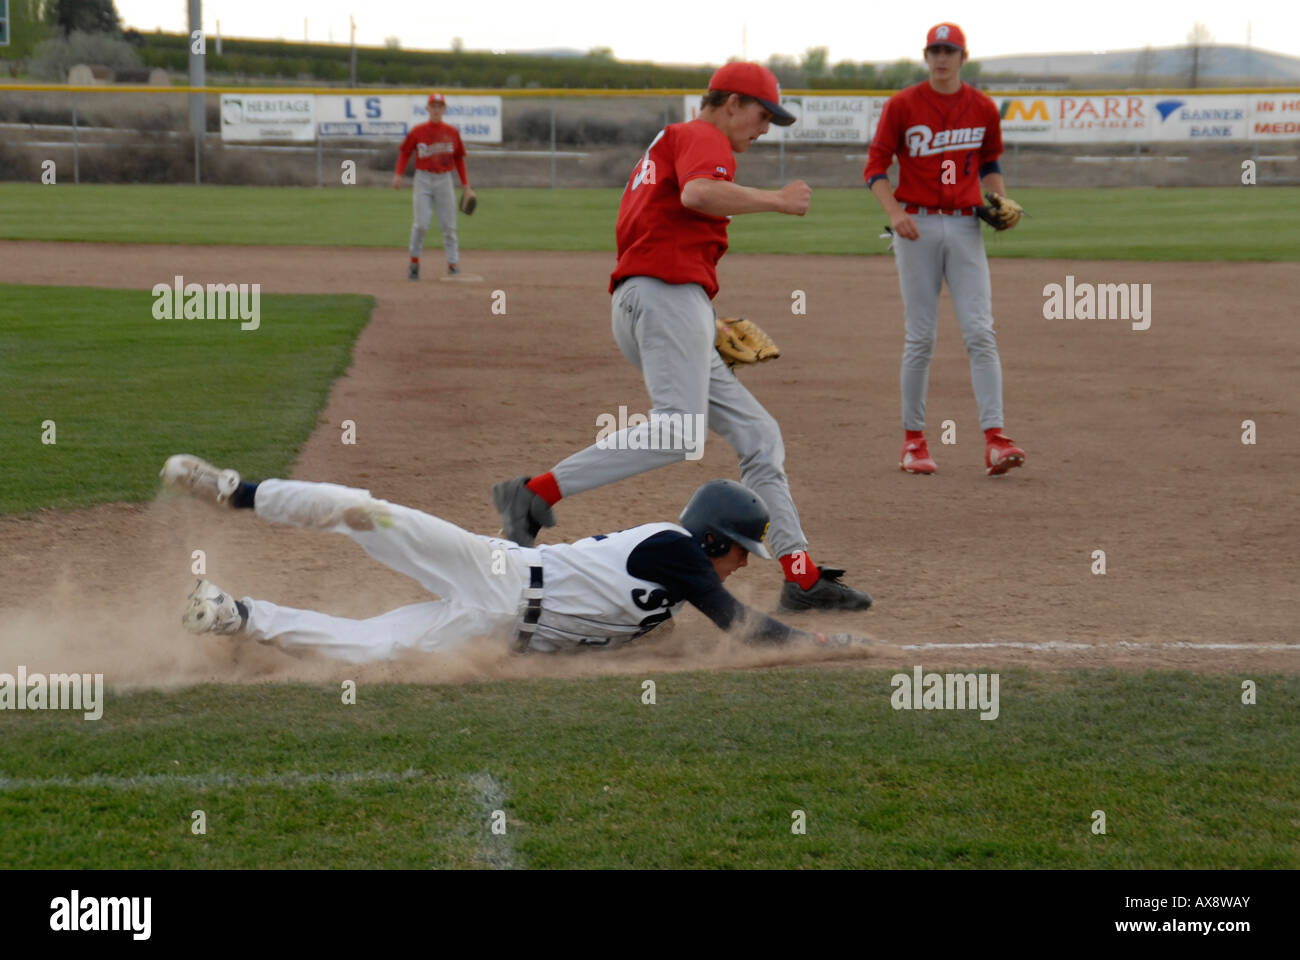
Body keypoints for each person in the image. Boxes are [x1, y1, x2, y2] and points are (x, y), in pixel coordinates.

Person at [491, 61, 873, 615]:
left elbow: (664, 227)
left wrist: (703, 323)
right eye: (763, 114)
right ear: (732, 103)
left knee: (758, 435)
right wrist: (777, 200)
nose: (765, 128)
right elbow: (698, 195)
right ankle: (535, 494)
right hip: (664, 298)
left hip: (661, 300)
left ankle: (802, 576)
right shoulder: (701, 135)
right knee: (678, 432)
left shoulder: (668, 143)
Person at [160, 455, 865, 662]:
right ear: (711, 540)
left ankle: (238, 615)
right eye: (740, 552)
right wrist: (820, 643)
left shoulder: (669, 598)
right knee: (370, 515)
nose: (742, 564)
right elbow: (739, 623)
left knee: (373, 646)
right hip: (494, 571)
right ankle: (241, 492)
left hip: (495, 629)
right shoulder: (676, 551)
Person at [864, 23, 1026, 477]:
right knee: (921, 337)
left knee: (980, 331)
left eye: (948, 50)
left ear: (962, 56)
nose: (941, 57)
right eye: (934, 50)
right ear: (926, 55)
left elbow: (990, 162)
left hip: (965, 226)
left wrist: (998, 198)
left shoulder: (982, 108)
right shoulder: (902, 105)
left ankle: (996, 439)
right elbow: (875, 167)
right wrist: (894, 213)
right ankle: (913, 442)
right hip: (915, 227)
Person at [393, 92, 476, 279]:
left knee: (449, 226)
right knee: (421, 224)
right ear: (427, 108)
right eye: (433, 106)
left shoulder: (452, 132)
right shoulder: (418, 131)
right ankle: (414, 263)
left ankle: (453, 264)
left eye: (440, 106)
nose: (436, 109)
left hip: (444, 179)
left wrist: (465, 184)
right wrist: (398, 174)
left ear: (444, 109)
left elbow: (459, 159)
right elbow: (405, 152)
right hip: (422, 179)